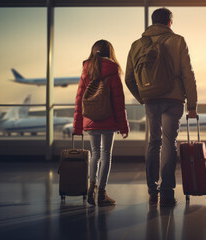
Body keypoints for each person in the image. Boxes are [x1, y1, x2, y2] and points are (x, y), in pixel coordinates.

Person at [125, 8, 198, 207]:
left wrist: (142, 97)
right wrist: (192, 105)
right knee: (168, 143)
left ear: (152, 21)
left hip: (151, 100)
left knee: (153, 142)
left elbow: (129, 78)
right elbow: (187, 74)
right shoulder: (178, 41)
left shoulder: (137, 45)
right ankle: (167, 192)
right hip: (173, 99)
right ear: (169, 22)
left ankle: (152, 190)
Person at [73, 40, 129, 207]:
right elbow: (119, 101)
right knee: (106, 155)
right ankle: (102, 192)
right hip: (108, 119)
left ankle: (92, 186)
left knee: (95, 153)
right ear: (109, 52)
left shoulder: (86, 70)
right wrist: (123, 125)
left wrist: (78, 125)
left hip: (90, 119)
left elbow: (79, 99)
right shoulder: (113, 71)